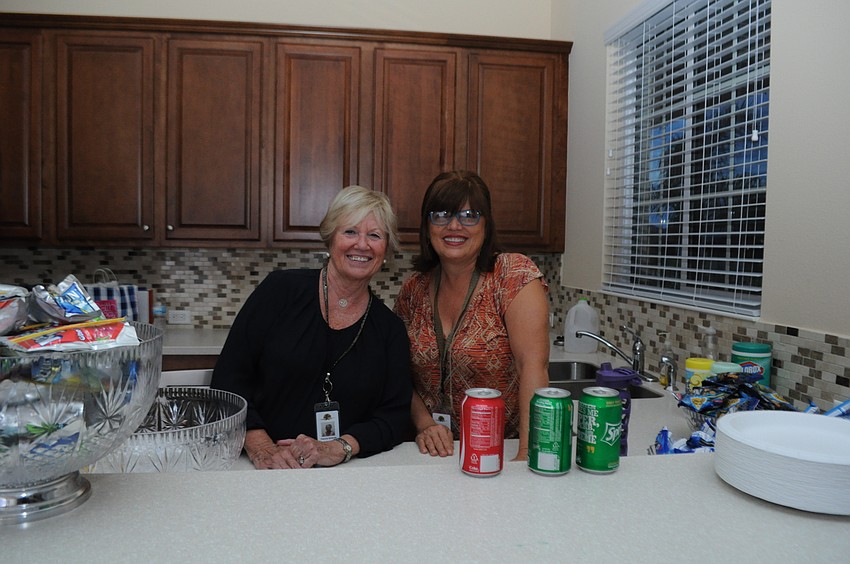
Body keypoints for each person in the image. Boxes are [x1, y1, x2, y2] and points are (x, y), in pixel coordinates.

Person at [212, 186, 413, 469]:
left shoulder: (389, 330)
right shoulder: (280, 291)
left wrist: (340, 448)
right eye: (350, 232)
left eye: (375, 235)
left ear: (386, 249)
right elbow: (228, 378)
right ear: (330, 237)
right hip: (260, 468)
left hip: (347, 473)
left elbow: (393, 417)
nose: (362, 245)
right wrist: (260, 445)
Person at [394, 170, 550, 461]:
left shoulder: (513, 276)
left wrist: (528, 454)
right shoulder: (412, 291)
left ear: (486, 225)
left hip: (503, 451)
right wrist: (425, 424)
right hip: (431, 454)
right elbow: (398, 374)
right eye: (441, 214)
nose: (454, 226)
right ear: (427, 226)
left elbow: (533, 367)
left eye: (469, 215)